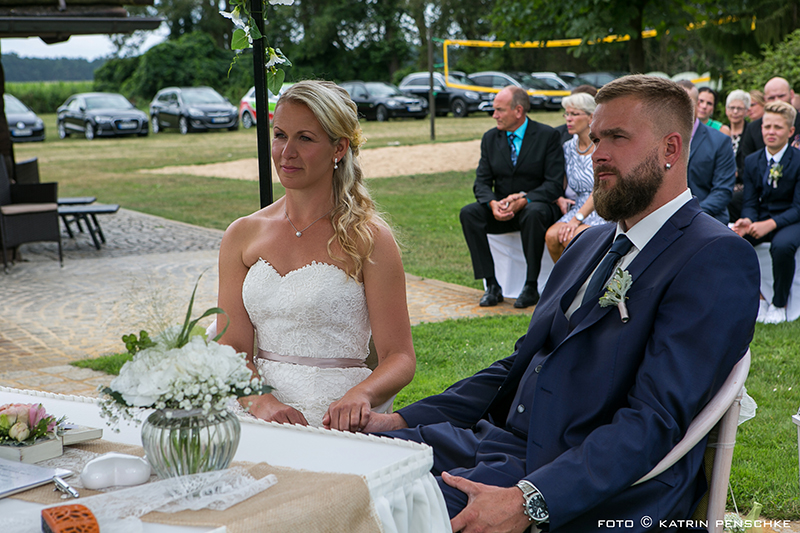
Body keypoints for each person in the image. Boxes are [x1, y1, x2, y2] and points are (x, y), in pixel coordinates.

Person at [366, 75, 760, 532]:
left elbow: (653, 421)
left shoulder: (714, 256)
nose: (598, 154)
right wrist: (401, 420)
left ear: (671, 149)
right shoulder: (588, 244)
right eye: (596, 139)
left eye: (616, 137)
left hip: (573, 480)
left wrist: (530, 500)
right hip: (489, 444)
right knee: (355, 474)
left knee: (386, 515)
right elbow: (520, 363)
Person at [216, 80, 416, 431]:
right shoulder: (242, 234)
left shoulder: (369, 239)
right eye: (280, 135)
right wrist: (260, 400)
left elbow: (399, 357)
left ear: (338, 148)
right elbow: (230, 347)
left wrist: (361, 394)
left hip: (335, 414)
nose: (286, 152)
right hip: (256, 411)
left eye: (304, 138)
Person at [460, 85, 564, 309]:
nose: (494, 115)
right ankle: (492, 285)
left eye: (499, 110)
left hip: (537, 206)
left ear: (518, 111)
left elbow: (554, 184)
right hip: (502, 208)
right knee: (469, 213)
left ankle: (530, 285)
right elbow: (482, 182)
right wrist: (492, 203)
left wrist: (525, 199)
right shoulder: (490, 138)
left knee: (534, 213)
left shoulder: (548, 136)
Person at [733, 100, 800, 324]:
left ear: (790, 131)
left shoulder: (798, 161)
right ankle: (758, 298)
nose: (771, 132)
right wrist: (748, 219)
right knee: (733, 241)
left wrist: (770, 224)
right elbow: (750, 200)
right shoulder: (753, 161)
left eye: (777, 127)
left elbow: (798, 207)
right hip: (762, 218)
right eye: (766, 126)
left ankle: (779, 304)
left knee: (782, 246)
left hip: (792, 219)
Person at [545, 93, 606, 262]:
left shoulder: (602, 147)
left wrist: (576, 219)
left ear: (591, 117)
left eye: (574, 114)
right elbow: (561, 180)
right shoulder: (568, 147)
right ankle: (565, 284)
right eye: (567, 114)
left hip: (602, 208)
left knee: (571, 237)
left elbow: (601, 189)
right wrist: (559, 197)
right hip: (577, 207)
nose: (568, 119)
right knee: (551, 236)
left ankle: (584, 285)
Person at [678, 81, 736, 224]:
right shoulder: (658, 139)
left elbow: (722, 191)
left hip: (707, 218)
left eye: (687, 101)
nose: (679, 107)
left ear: (697, 104)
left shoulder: (719, 141)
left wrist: (690, 215)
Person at [740, 77, 800, 158]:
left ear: (791, 94)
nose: (777, 101)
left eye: (781, 96)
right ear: (765, 99)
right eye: (771, 98)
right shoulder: (753, 129)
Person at [726, 89, 752, 221]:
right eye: (732, 108)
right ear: (726, 110)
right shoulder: (722, 131)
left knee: (731, 199)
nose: (735, 112)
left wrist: (736, 173)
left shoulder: (751, 133)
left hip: (741, 183)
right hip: (722, 180)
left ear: (746, 111)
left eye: (739, 108)